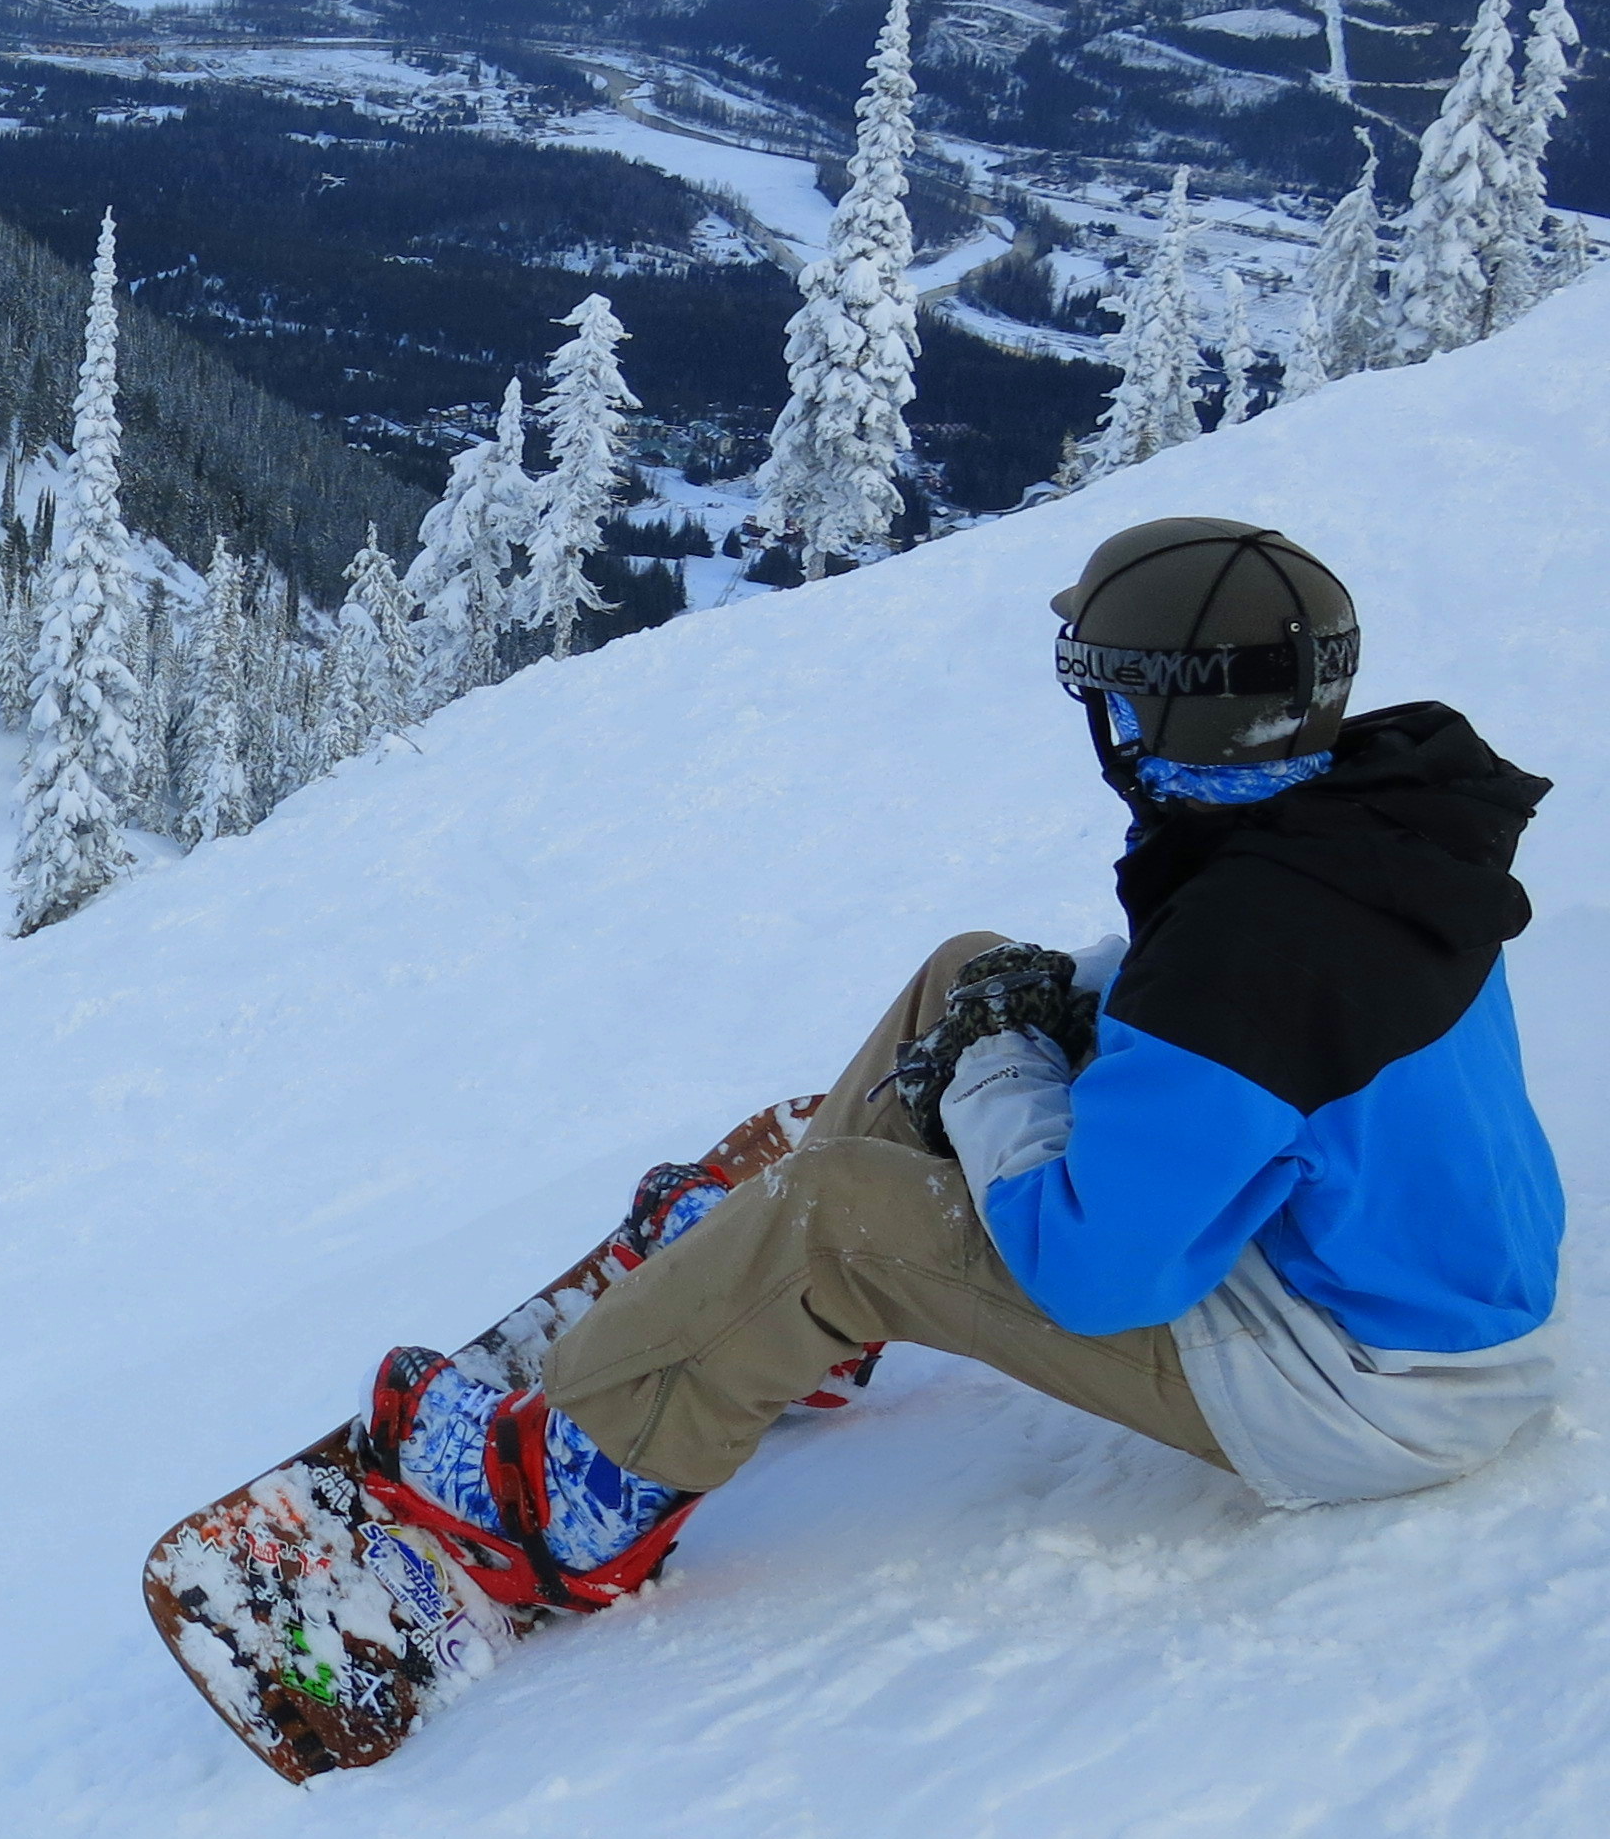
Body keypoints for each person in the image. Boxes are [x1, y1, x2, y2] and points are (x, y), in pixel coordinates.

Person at [359, 516, 1566, 1614]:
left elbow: (1093, 1273)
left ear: (1166, 712)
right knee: (972, 967)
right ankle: (766, 1311)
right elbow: (1237, 1021)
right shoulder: (1365, 820)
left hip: (1362, 1393)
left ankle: (569, 1493)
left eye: (1118, 700)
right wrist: (1030, 1004)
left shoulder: (1244, 963)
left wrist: (996, 1070)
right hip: (1406, 1285)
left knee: (840, 1213)